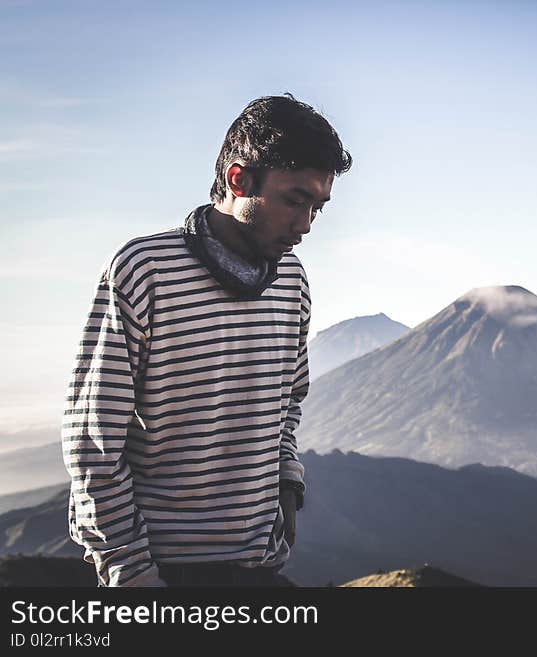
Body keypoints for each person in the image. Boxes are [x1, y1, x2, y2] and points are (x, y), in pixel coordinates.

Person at [61, 93, 352, 587]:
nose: (305, 225)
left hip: (258, 567)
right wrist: (132, 575)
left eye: (318, 208)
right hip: (162, 572)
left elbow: (288, 400)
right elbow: (92, 440)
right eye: (294, 200)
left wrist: (286, 476)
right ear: (239, 179)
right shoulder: (144, 269)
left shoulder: (291, 280)